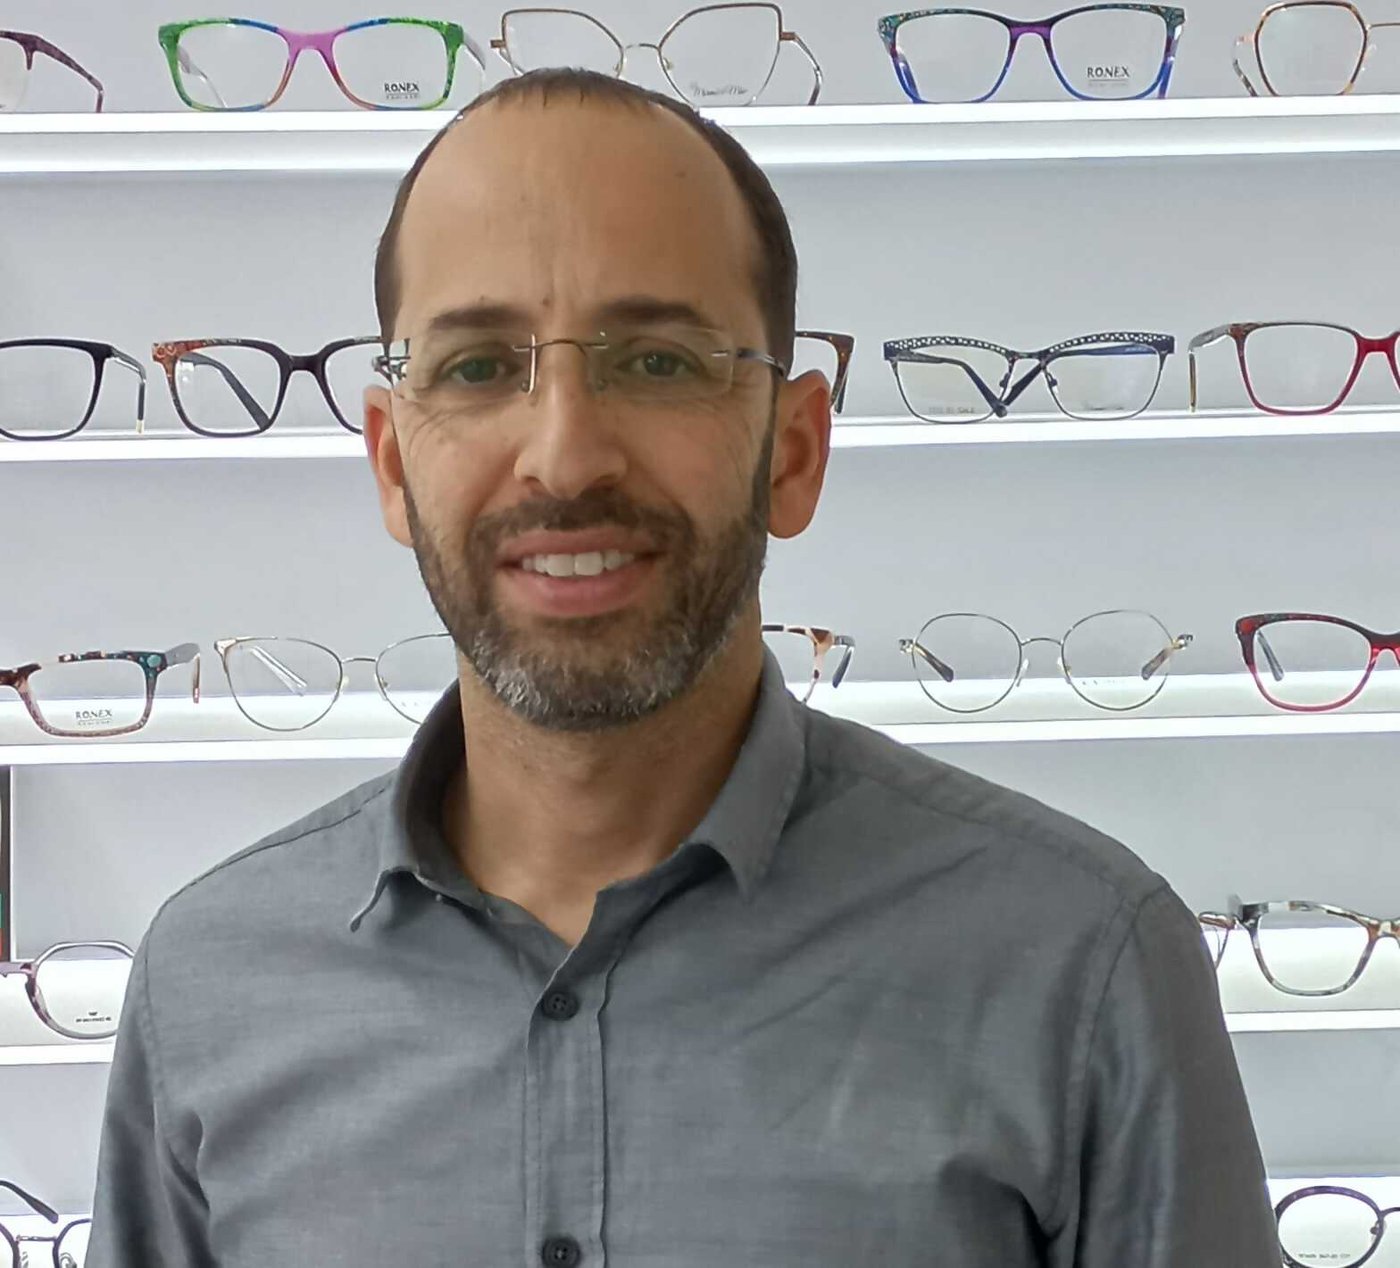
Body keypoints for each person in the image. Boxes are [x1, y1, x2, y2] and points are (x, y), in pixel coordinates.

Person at [87, 69, 1277, 1266]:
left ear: (792, 452)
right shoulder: (207, 985)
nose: (563, 458)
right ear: (393, 464)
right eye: (479, 367)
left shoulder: (1080, 964)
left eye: (657, 362)